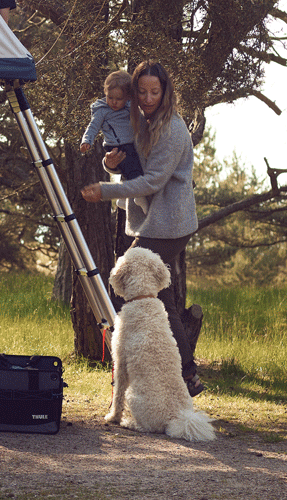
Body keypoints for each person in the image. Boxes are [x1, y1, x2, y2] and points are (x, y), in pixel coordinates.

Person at [79, 60, 203, 397]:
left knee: (128, 284)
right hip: (152, 220)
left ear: (165, 92)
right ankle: (185, 378)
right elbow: (127, 163)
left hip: (170, 223)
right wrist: (110, 164)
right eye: (143, 91)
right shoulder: (137, 121)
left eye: (155, 91)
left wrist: (105, 191)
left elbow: (151, 182)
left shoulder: (172, 129)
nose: (148, 98)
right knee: (160, 300)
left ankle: (158, 372)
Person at [81, 69, 147, 212]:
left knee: (131, 168)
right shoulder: (102, 110)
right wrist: (86, 140)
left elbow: (141, 121)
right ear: (105, 94)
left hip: (130, 142)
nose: (114, 102)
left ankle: (124, 199)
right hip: (115, 145)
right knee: (134, 170)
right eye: (110, 97)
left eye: (119, 99)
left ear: (127, 97)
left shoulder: (130, 107)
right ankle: (139, 196)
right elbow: (93, 126)